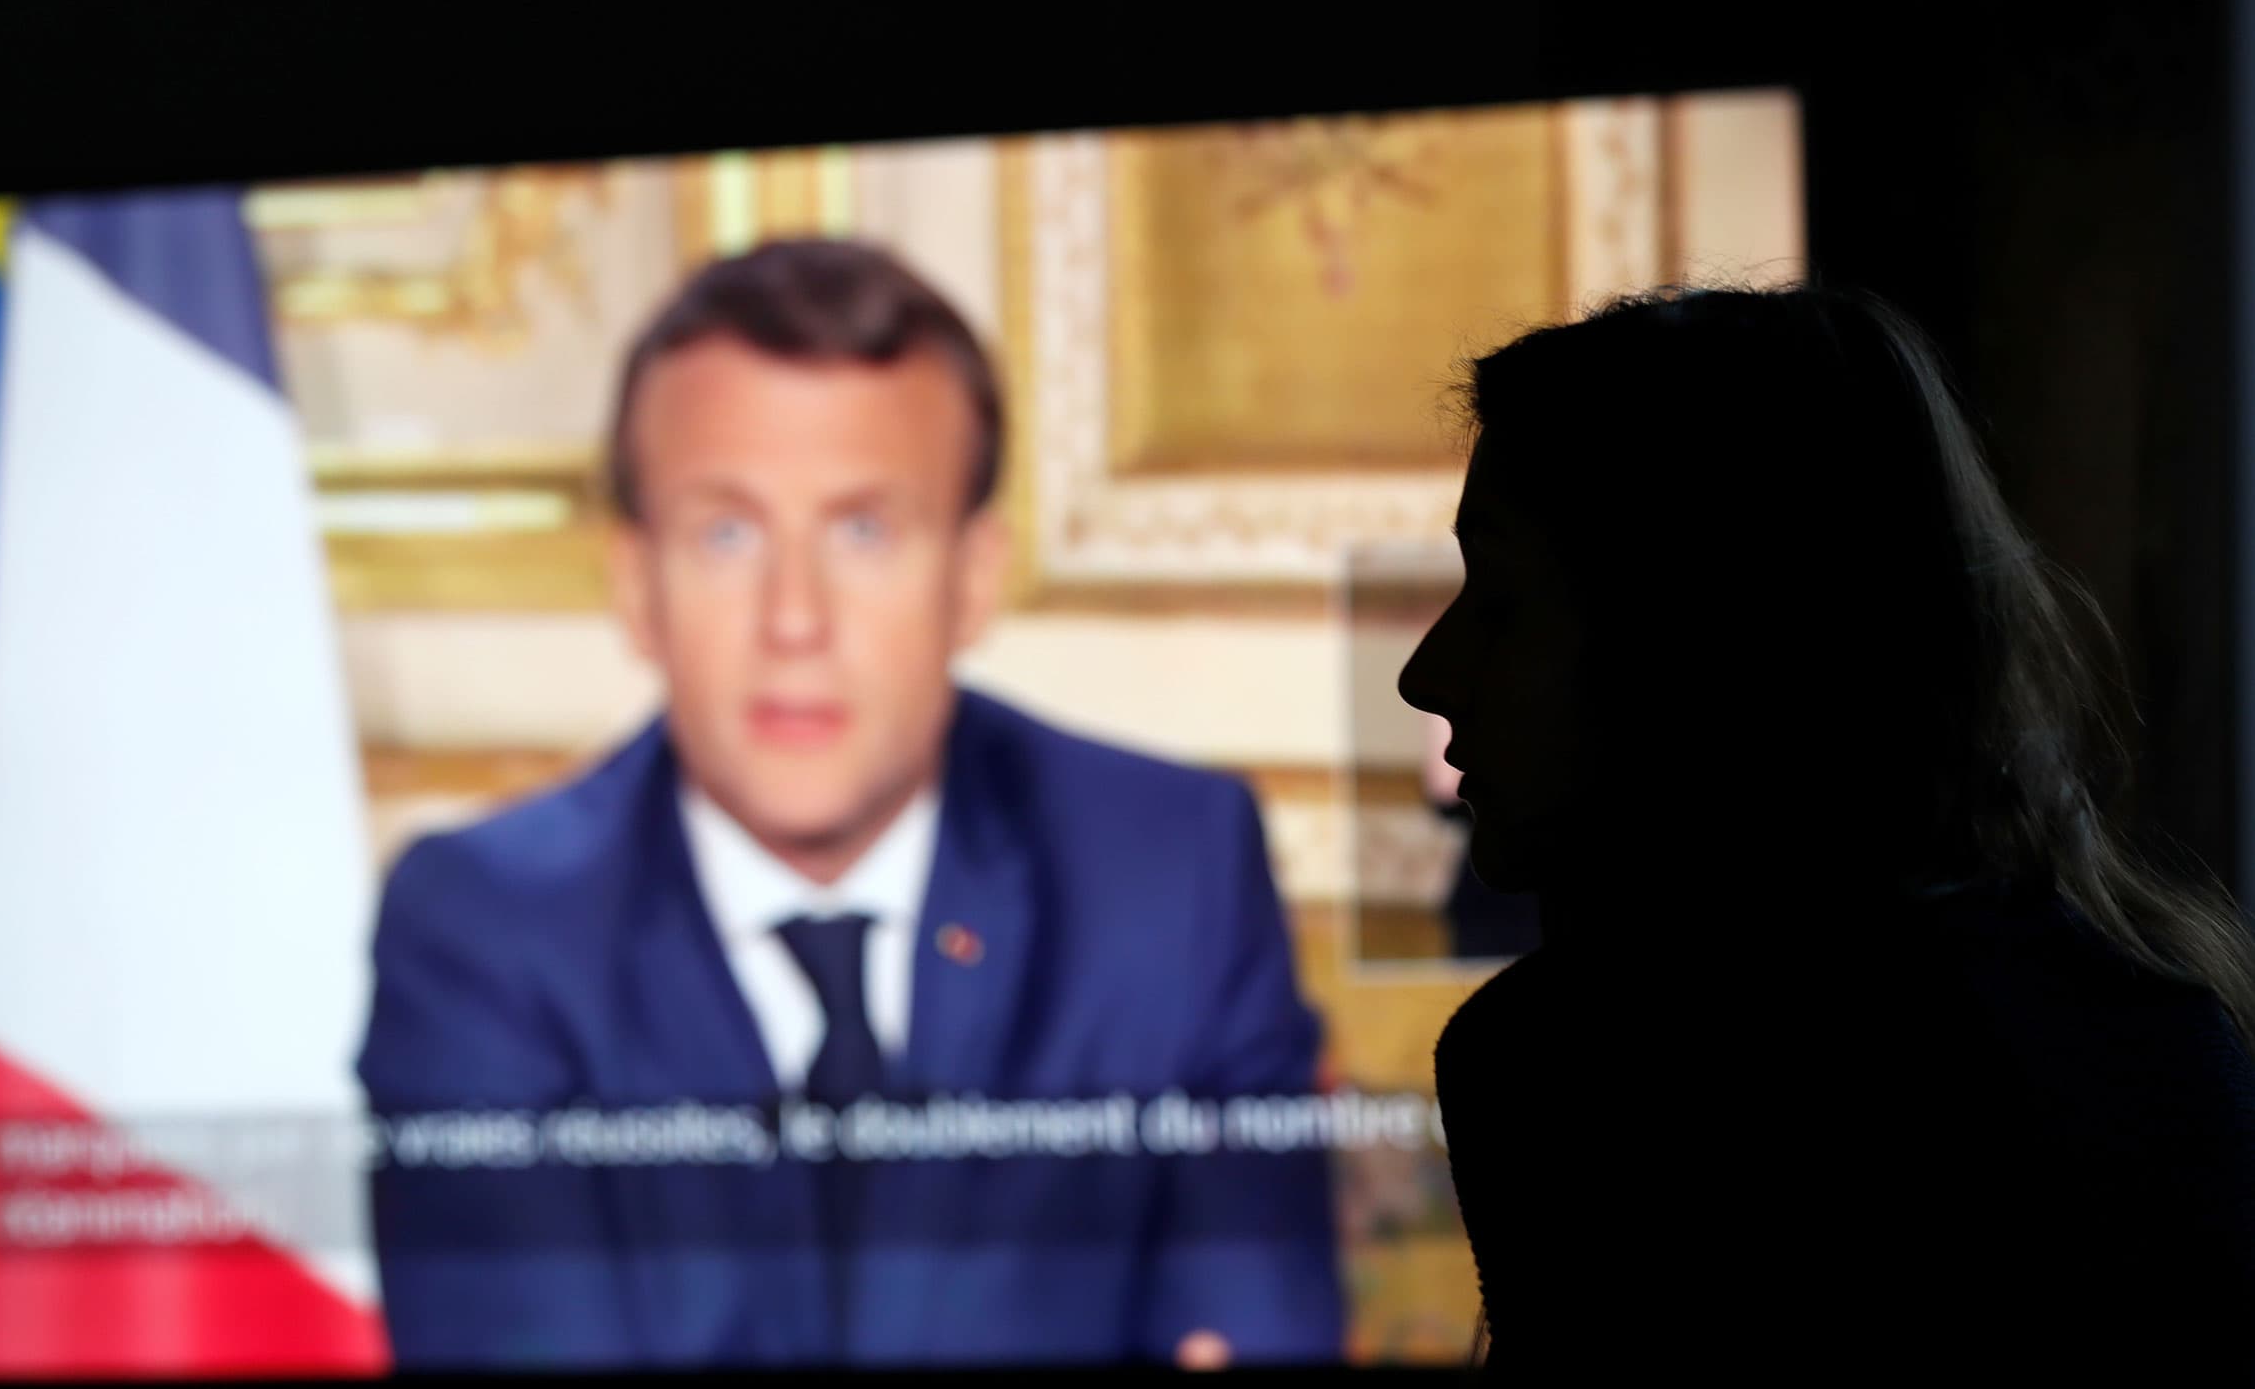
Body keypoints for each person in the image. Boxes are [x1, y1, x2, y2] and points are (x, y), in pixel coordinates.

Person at [354, 238, 1343, 1370]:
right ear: (635, 586)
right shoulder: (482, 931)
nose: (793, 621)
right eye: (726, 533)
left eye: (864, 531)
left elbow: (1259, 1331)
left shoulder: (1173, 875)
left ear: (972, 578)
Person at [1399, 286, 2255, 1383]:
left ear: (1702, 640)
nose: (1426, 672)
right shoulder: (2157, 1018)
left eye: (1507, 601)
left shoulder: (1581, 1067)